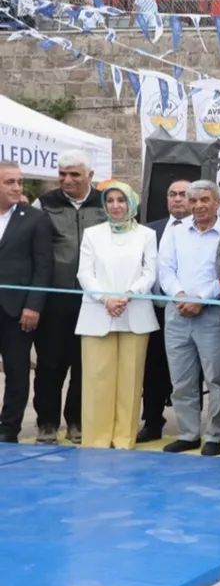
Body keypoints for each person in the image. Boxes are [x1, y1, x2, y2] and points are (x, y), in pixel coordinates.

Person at [73, 182, 158, 450]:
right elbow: (85, 273)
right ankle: (96, 439)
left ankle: (123, 439)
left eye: (121, 200)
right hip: (97, 313)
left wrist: (129, 295)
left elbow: (149, 273)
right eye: (110, 200)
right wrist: (106, 299)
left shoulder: (146, 235)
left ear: (131, 203)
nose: (116, 206)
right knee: (97, 380)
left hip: (135, 312)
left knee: (130, 382)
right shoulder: (92, 234)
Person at [32, 150, 108, 445]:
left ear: (90, 175)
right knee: (50, 364)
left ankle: (76, 421)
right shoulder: (44, 203)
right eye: (62, 174)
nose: (67, 180)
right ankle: (47, 423)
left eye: (74, 174)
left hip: (94, 299)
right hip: (55, 298)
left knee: (84, 364)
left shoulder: (105, 202)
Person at [157, 180, 220, 456]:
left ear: (218, 202)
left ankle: (215, 435)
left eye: (205, 200)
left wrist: (201, 298)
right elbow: (165, 269)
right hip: (177, 312)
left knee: (217, 379)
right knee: (181, 379)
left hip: (211, 313)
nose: (198, 205)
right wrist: (180, 296)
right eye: (193, 201)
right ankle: (188, 434)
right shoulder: (175, 231)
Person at [0, 161, 52, 444]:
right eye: (9, 182)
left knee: (17, 371)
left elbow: (43, 266)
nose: (17, 187)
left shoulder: (35, 218)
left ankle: (8, 428)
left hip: (17, 309)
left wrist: (33, 305)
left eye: (19, 181)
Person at [138, 179, 189, 443]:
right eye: (172, 194)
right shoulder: (149, 230)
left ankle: (191, 428)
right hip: (153, 309)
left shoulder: (199, 229)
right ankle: (152, 421)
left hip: (186, 308)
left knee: (189, 371)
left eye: (183, 194)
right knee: (152, 368)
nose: (177, 198)